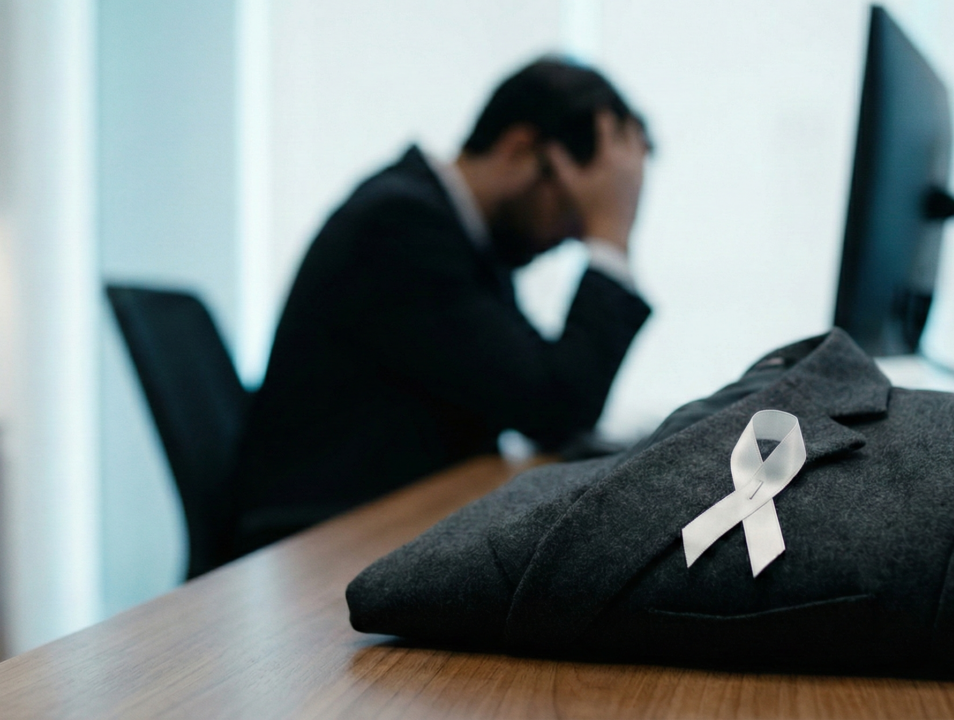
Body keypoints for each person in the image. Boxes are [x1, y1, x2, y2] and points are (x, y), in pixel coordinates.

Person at [229, 57, 654, 556]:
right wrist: (610, 237)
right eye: (573, 210)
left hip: (380, 525)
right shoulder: (399, 226)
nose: (574, 235)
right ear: (520, 149)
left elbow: (535, 386)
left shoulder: (452, 231)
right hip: (321, 543)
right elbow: (555, 406)